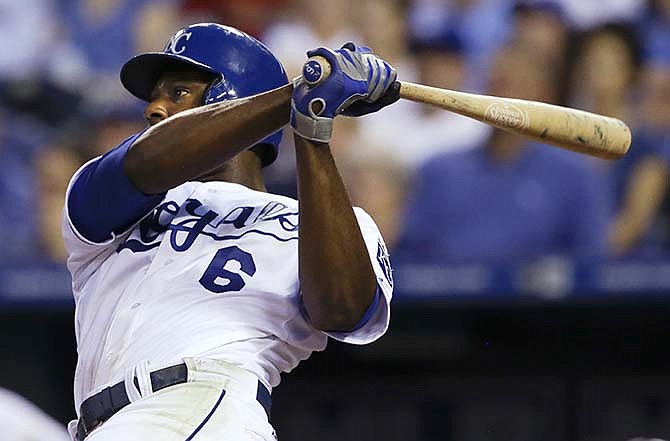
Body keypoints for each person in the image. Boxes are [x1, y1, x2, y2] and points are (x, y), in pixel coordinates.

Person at [61, 23, 397, 440]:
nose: (153, 108)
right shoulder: (117, 194)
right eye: (154, 97)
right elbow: (150, 162)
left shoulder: (319, 220)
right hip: (104, 425)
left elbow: (347, 315)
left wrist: (311, 127)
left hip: (202, 404)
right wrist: (295, 95)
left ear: (231, 97)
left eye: (178, 92)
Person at [394, 43, 609, 264]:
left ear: (543, 94)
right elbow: (411, 257)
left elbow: (589, 263)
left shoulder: (573, 176)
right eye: (497, 85)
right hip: (446, 297)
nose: (503, 100)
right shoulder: (439, 171)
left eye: (514, 86)